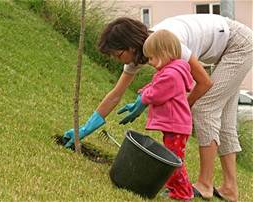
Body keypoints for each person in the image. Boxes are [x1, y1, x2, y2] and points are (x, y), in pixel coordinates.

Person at [63, 15, 253, 201]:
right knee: (225, 119)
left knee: (205, 109)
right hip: (226, 47)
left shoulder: (169, 43)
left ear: (131, 46)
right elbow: (116, 94)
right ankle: (229, 188)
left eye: (118, 55)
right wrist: (84, 129)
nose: (118, 60)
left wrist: (185, 108)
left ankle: (205, 184)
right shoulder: (148, 52)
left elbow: (204, 82)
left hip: (238, 44)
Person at [139, 29, 194, 200]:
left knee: (173, 160)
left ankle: (183, 192)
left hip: (175, 125)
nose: (149, 62)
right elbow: (154, 85)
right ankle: (174, 188)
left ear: (164, 53)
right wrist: (146, 89)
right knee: (172, 157)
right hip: (175, 124)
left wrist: (144, 95)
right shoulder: (170, 71)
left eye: (151, 57)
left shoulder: (171, 75)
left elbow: (156, 94)